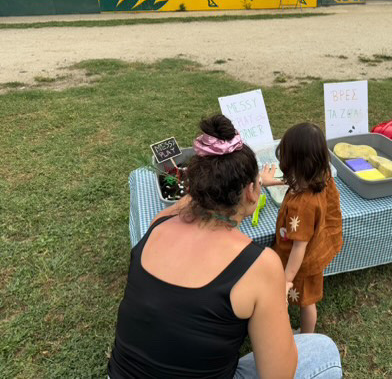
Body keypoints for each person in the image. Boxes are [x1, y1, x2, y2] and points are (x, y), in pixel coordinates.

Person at [107, 114, 342, 378]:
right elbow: (279, 375)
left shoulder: (158, 223)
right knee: (323, 350)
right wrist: (278, 307)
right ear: (251, 192)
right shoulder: (261, 265)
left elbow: (193, 200)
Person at [272, 123, 343, 334]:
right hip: (315, 252)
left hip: (302, 264)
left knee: (306, 302)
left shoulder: (302, 206)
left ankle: (307, 337)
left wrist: (286, 280)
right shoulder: (322, 175)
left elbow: (299, 247)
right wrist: (271, 181)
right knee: (307, 299)